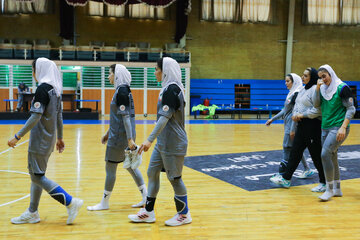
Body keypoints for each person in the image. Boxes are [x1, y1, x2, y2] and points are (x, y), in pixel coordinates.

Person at [7, 58, 83, 225]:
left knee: (38, 177)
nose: (33, 73)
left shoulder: (43, 89)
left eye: (33, 70)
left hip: (39, 141)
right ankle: (32, 212)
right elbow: (59, 116)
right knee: (36, 175)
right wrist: (60, 138)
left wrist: (17, 136)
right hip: (49, 140)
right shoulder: (55, 90)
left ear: (39, 70)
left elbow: (35, 116)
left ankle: (70, 202)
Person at [128, 57, 192, 226]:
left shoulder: (172, 89)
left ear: (165, 71)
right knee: (151, 172)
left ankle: (184, 215)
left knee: (175, 179)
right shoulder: (166, 89)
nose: (155, 72)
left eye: (157, 69)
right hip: (163, 142)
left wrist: (149, 140)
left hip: (174, 143)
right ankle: (148, 212)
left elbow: (164, 118)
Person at [87, 64, 147, 211]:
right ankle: (146, 197)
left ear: (117, 75)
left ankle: (105, 202)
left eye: (110, 73)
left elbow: (126, 117)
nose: (109, 76)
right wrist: (108, 133)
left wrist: (130, 139)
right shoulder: (124, 90)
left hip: (120, 138)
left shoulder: (121, 91)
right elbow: (119, 117)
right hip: (122, 134)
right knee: (131, 166)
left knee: (110, 167)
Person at [270, 67, 326, 192]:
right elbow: (297, 106)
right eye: (302, 75)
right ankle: (286, 178)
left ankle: (324, 182)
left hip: (312, 126)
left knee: (316, 156)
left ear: (312, 78)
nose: (302, 77)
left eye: (306, 76)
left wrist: (302, 115)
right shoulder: (302, 89)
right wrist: (294, 125)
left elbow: (318, 110)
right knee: (295, 153)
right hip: (301, 126)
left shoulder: (316, 90)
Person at [316, 64, 355, 201]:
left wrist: (343, 127)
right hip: (325, 127)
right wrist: (317, 88)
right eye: (320, 77)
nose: (323, 79)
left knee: (325, 154)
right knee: (332, 156)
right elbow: (316, 105)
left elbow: (351, 109)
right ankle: (337, 189)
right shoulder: (322, 90)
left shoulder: (342, 88)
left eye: (324, 76)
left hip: (338, 127)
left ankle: (329, 189)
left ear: (331, 74)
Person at [266, 73, 315, 179]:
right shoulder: (291, 93)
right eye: (285, 81)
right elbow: (285, 110)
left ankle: (282, 174)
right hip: (288, 125)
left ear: (295, 82)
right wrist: (272, 119)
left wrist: (292, 129)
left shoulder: (297, 94)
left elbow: (295, 112)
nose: (286, 83)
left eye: (288, 81)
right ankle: (307, 169)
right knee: (296, 148)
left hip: (292, 126)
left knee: (286, 148)